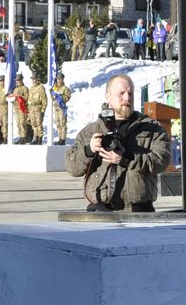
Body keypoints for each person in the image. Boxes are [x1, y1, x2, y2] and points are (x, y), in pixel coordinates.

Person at [65, 73, 171, 212]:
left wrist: (126, 158)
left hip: (138, 209)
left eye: (130, 93)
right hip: (101, 209)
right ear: (108, 96)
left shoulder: (151, 128)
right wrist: (89, 150)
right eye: (121, 93)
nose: (127, 98)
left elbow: (161, 161)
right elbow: (72, 168)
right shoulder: (91, 131)